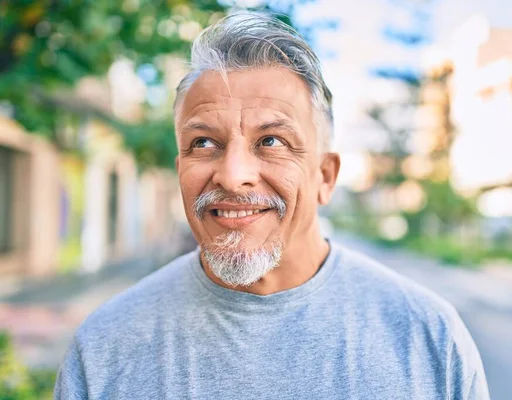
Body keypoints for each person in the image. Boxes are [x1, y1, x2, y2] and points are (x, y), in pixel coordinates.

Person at [54, 13, 489, 399]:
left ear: (325, 176)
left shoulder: (429, 337)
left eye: (272, 141)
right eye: (203, 143)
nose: (232, 174)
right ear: (179, 167)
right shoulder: (105, 349)